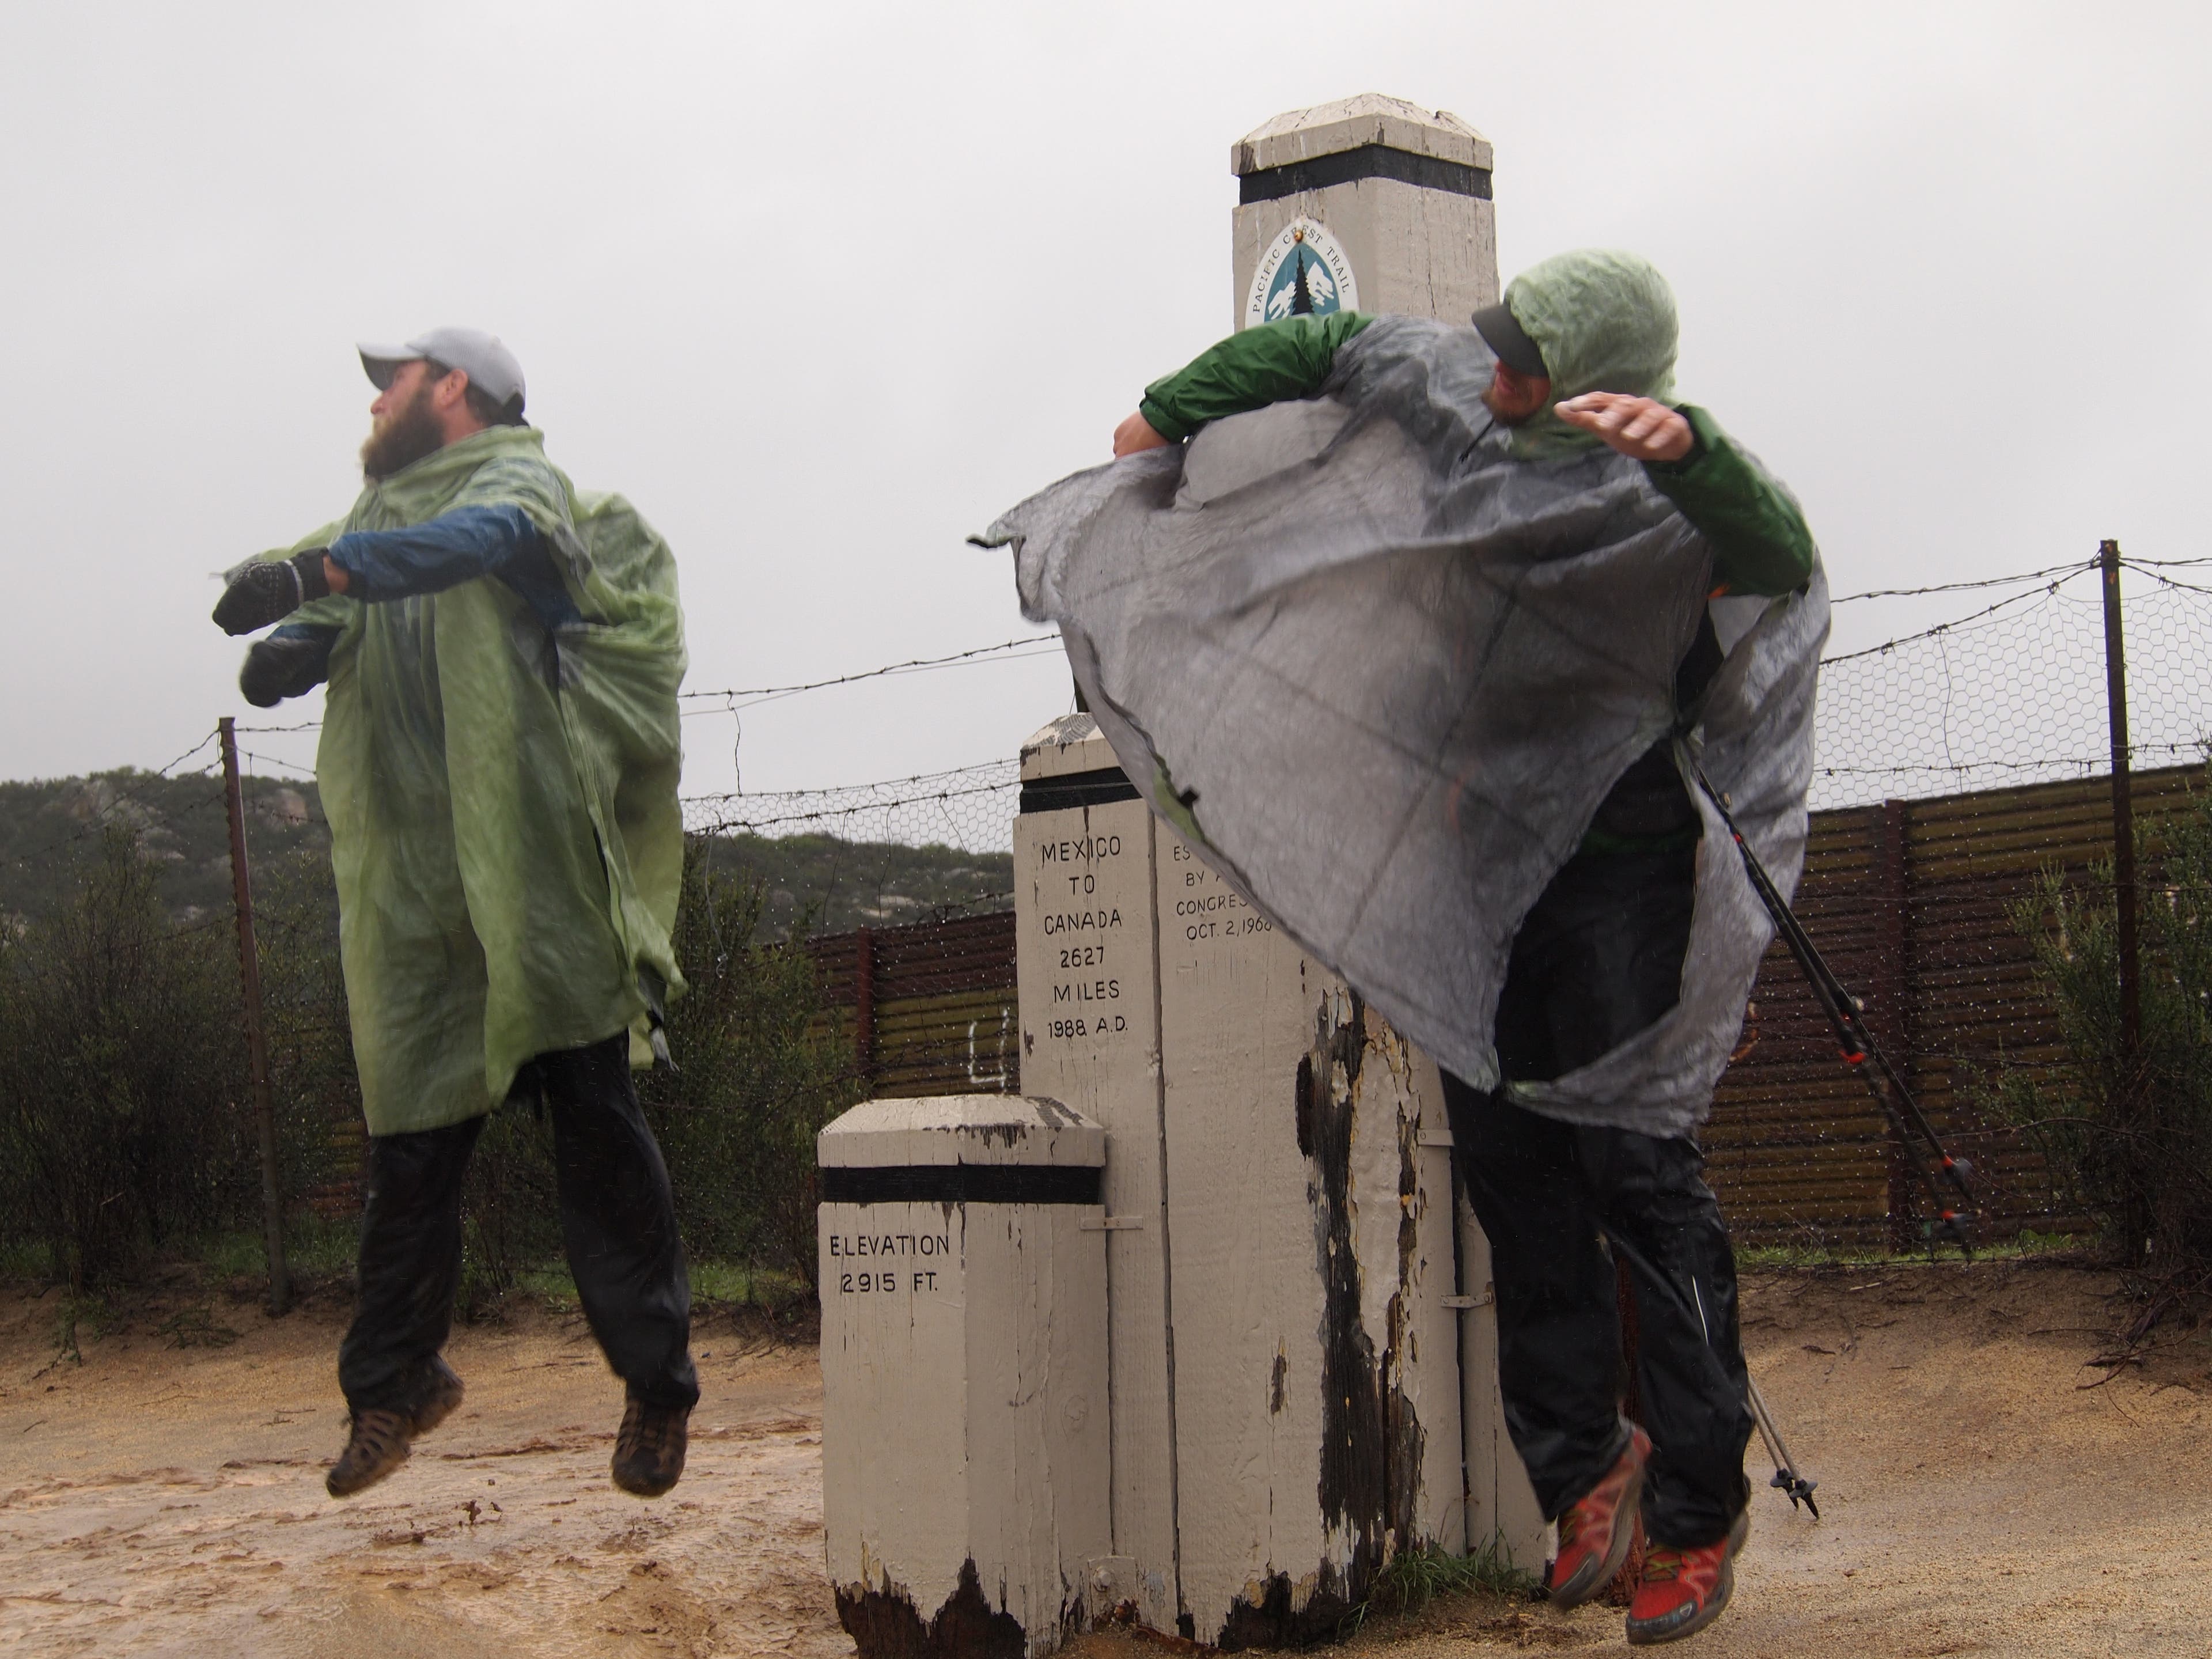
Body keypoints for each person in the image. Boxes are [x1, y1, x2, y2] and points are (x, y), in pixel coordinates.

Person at [1088, 252, 1817, 1645]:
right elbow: (1332, 343)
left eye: (1525, 359)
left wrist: (1703, 453)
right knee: (1514, 1179)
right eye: (1494, 345)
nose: (1492, 371)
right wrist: (1161, 413)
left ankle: (1699, 1511)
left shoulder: (1661, 500)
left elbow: (1779, 553)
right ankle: (1587, 1470)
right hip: (1483, 882)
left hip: (1623, 884)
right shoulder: (1465, 400)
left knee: (1639, 1186)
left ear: (1599, 384)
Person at [211, 328, 698, 1502]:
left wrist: (323, 574)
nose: (379, 405)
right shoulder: (374, 527)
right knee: (410, 1146)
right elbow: (324, 615)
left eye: (397, 384)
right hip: (419, 896)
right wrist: (279, 650)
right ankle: (393, 1388)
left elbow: (478, 546)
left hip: (531, 872)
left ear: (457, 392)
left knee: (596, 1126)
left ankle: (657, 1389)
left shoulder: (517, 485)